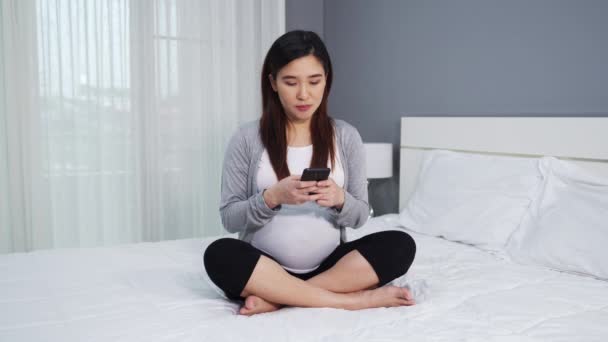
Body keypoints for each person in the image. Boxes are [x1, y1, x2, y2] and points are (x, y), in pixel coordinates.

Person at [203, 30, 416, 316]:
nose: (304, 94)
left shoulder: (346, 136)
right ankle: (351, 300)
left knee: (400, 245)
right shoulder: (246, 138)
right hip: (265, 266)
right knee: (219, 255)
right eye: (290, 82)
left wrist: (340, 198)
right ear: (273, 83)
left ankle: (279, 298)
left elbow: (360, 215)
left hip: (331, 265)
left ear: (326, 80)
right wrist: (271, 197)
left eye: (314, 81)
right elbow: (229, 218)